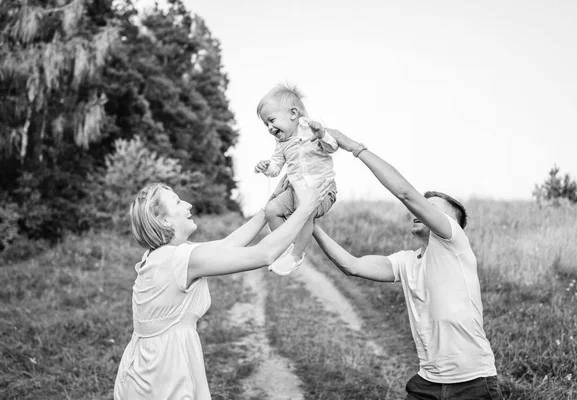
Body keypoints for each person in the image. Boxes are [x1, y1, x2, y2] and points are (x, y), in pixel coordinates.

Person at [309, 128, 504, 400]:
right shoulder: (407, 261)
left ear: (450, 223)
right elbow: (351, 265)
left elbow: (406, 194)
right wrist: (311, 224)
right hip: (427, 383)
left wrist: (354, 147)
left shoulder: (454, 243)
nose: (417, 209)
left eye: (429, 207)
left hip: (472, 383)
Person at [114, 179, 331, 400]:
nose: (188, 204)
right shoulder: (178, 258)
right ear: (164, 220)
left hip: (149, 364)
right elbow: (264, 254)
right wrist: (305, 208)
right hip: (161, 373)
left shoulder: (164, 254)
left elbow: (227, 245)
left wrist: (267, 210)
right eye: (178, 202)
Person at [254, 83, 338, 276]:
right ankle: (284, 247)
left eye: (271, 120)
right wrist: (267, 167)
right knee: (271, 209)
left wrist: (322, 135)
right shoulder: (281, 144)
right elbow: (276, 168)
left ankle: (296, 255)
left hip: (322, 191)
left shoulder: (313, 131)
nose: (269, 127)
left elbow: (332, 147)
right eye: (266, 124)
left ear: (293, 113)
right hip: (295, 190)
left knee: (305, 207)